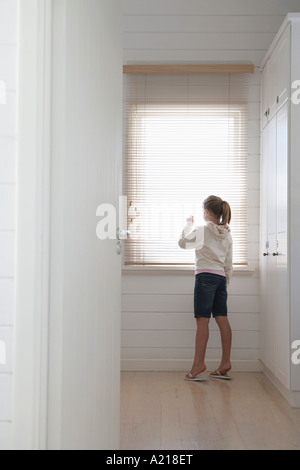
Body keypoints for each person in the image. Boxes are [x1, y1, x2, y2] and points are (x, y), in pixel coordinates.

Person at [178, 196, 233, 381]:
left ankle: (197, 365)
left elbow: (183, 243)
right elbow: (228, 263)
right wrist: (224, 283)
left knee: (202, 321)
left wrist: (187, 225)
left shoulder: (202, 230)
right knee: (222, 319)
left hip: (205, 277)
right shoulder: (228, 234)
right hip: (220, 278)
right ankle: (225, 363)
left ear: (207, 212)